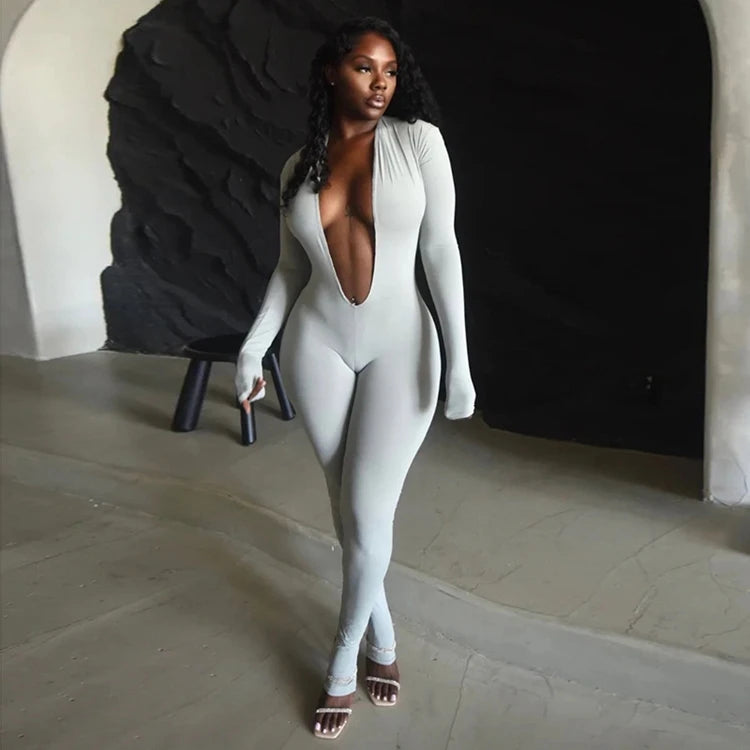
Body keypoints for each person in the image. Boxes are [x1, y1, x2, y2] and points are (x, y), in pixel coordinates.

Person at [235, 16, 475, 740]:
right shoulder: (296, 167)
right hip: (316, 346)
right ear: (331, 72)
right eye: (365, 67)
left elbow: (442, 250)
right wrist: (253, 349)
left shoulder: (418, 141)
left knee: (367, 514)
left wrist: (460, 362)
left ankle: (344, 660)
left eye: (391, 71)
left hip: (404, 345)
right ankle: (385, 636)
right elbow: (289, 269)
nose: (381, 83)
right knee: (349, 510)